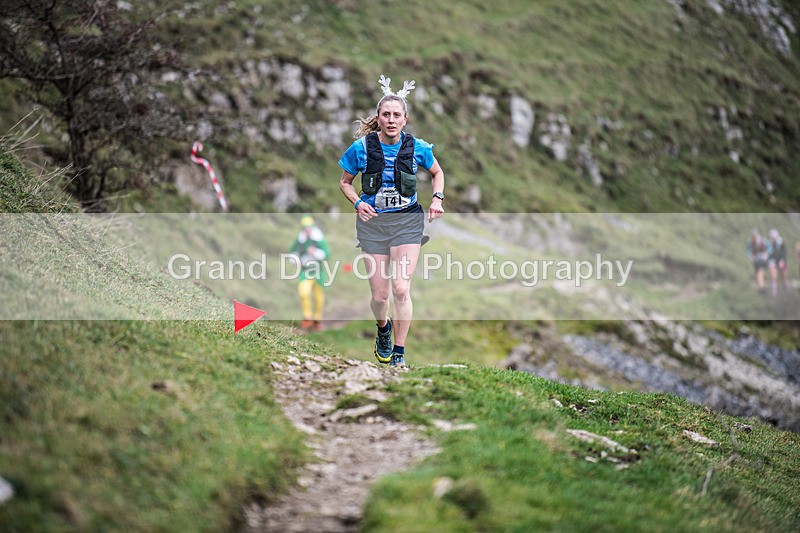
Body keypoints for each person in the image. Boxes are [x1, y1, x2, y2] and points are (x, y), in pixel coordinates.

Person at [338, 75, 445, 367]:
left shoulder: (418, 147)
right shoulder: (360, 148)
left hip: (407, 223)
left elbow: (438, 173)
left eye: (397, 115)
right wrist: (358, 203)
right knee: (380, 295)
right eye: (386, 114)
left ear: (405, 119)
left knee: (400, 288)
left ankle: (399, 353)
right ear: (378, 118)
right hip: (372, 225)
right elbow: (345, 183)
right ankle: (383, 329)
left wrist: (438, 199)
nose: (391, 119)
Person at [288, 214, 330, 331]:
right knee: (303, 292)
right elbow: (292, 252)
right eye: (304, 227)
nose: (306, 230)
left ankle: (317, 319)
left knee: (318, 297)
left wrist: (315, 252)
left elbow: (326, 253)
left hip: (317, 271)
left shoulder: (318, 238)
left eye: (308, 227)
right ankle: (307, 317)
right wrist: (296, 260)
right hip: (305, 271)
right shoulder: (300, 239)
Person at [745, 229, 771, 293]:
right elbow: (746, 251)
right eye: (753, 236)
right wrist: (750, 257)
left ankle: (763, 286)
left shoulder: (764, 240)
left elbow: (770, 248)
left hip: (764, 259)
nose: (755, 237)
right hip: (756, 260)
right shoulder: (750, 242)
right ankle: (761, 286)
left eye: (756, 236)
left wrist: (766, 254)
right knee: (759, 272)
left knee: (761, 271)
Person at [767, 228, 788, 297]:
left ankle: (785, 287)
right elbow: (769, 255)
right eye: (771, 237)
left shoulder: (781, 243)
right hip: (773, 261)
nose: (772, 239)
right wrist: (771, 262)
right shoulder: (769, 244)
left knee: (783, 275)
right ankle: (774, 292)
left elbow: (784, 253)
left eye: (774, 237)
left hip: (782, 261)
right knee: (773, 276)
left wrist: (782, 261)